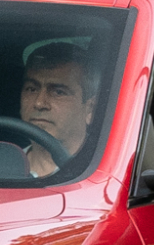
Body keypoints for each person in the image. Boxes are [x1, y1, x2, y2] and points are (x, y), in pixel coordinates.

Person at [16, 41, 99, 177]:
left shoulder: (100, 174)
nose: (39, 103)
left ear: (90, 109)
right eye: (31, 89)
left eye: (59, 92)